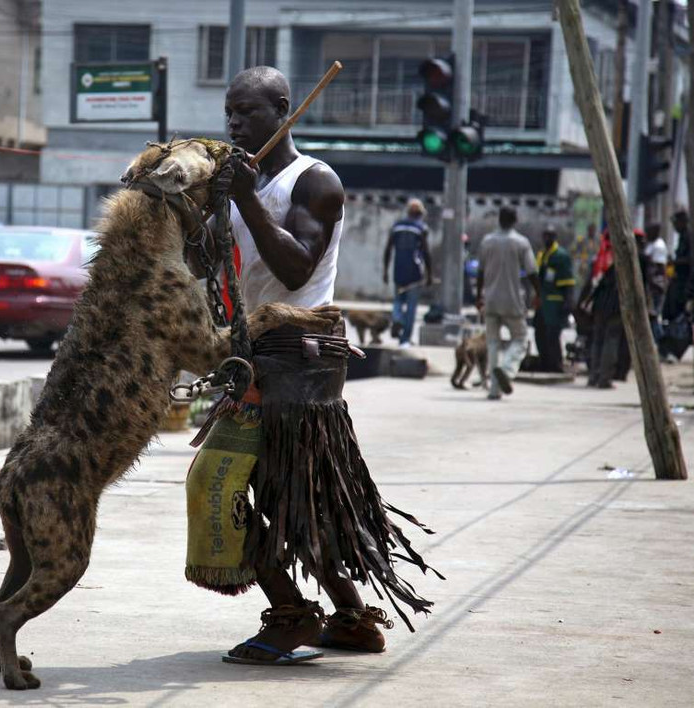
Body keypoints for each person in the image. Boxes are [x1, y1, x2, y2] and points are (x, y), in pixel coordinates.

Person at [185, 66, 435, 666]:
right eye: (230, 112)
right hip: (253, 350)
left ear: (283, 109)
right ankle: (350, 619)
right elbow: (205, 267)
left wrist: (244, 196)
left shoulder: (315, 181)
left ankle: (293, 615)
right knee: (295, 493)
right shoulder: (241, 180)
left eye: (248, 111)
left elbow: (297, 268)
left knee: (218, 481)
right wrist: (201, 208)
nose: (235, 122)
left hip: (299, 356)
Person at [476, 206, 541, 399]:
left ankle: (494, 389)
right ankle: (507, 369)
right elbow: (531, 272)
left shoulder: (487, 241)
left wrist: (478, 296)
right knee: (520, 339)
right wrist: (539, 293)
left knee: (493, 343)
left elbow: (480, 271)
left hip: (491, 299)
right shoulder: (521, 242)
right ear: (515, 221)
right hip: (512, 300)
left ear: (499, 220)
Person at [383, 199, 432, 348]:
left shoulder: (397, 226)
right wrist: (429, 274)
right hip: (414, 274)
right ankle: (405, 339)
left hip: (399, 270)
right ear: (420, 214)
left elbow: (388, 249)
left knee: (398, 300)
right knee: (411, 307)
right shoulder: (421, 228)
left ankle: (397, 318)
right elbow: (425, 252)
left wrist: (385, 270)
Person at [579, 229, 624, 389]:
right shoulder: (620, 257)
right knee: (610, 340)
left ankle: (593, 376)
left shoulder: (599, 257)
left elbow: (590, 283)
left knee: (597, 340)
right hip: (615, 305)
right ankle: (604, 378)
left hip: (598, 305)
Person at [534, 225, 575, 373]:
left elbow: (569, 282)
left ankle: (556, 365)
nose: (547, 239)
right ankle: (544, 363)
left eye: (550, 236)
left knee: (553, 335)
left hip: (555, 302)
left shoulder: (561, 256)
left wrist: (568, 301)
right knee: (540, 333)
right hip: (542, 302)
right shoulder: (541, 255)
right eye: (545, 236)